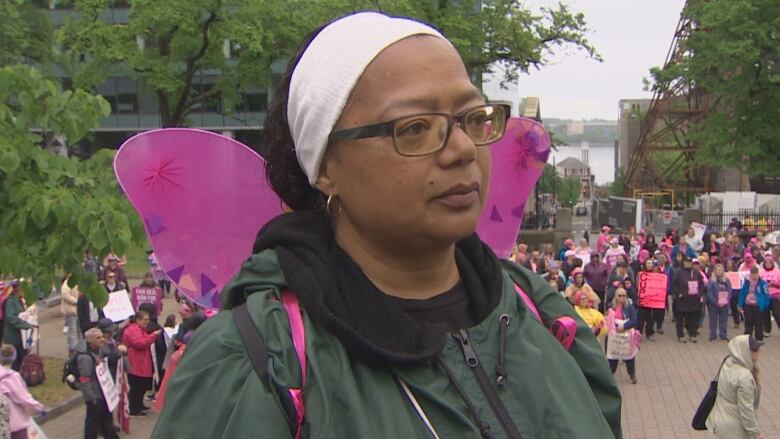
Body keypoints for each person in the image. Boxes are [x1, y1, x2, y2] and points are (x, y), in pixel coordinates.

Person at [152, 12, 621, 438]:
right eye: (414, 127)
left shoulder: (535, 309)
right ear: (326, 167)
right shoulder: (257, 363)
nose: (461, 149)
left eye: (473, 118)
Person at [705, 335, 764, 439]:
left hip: (720, 421)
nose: (758, 352)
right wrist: (756, 433)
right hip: (735, 429)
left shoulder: (728, 362)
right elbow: (746, 409)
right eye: (754, 350)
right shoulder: (744, 377)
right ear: (743, 351)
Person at [75, 328, 119, 439]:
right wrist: (91, 397)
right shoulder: (84, 358)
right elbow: (84, 379)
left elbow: (110, 354)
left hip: (104, 393)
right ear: (90, 341)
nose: (102, 340)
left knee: (107, 420)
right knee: (92, 424)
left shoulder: (98, 349)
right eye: (98, 338)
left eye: (102, 336)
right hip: (95, 397)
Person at [121, 310, 161, 416]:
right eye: (145, 320)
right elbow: (139, 344)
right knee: (136, 386)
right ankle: (134, 408)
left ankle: (138, 404)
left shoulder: (139, 329)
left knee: (141, 385)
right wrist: (153, 336)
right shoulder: (133, 330)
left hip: (141, 362)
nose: (147, 322)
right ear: (138, 320)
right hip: (135, 363)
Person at [0, 345, 44, 439]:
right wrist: (39, 407)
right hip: (14, 422)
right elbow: (23, 398)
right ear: (14, 357)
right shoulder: (12, 377)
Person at [605, 288, 638, 384]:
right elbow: (608, 319)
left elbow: (634, 320)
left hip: (626, 334)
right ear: (616, 297)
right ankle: (610, 376)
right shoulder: (611, 307)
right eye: (620, 296)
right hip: (614, 335)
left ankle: (632, 375)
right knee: (612, 357)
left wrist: (624, 326)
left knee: (629, 357)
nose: (622, 298)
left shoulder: (630, 307)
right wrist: (615, 327)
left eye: (624, 296)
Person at [671, 255, 705, 343]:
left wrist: (700, 294)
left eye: (690, 262)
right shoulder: (678, 272)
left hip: (694, 299)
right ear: (683, 262)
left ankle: (692, 334)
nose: (688, 264)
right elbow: (674, 284)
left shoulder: (696, 272)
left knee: (693, 318)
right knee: (680, 319)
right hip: (682, 299)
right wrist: (679, 293)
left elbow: (702, 284)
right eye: (687, 262)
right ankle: (680, 335)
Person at [1, 287, 30, 372]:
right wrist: (24, 325)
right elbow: (11, 317)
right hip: (12, 337)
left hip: (20, 337)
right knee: (14, 361)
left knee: (22, 357)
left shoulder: (20, 300)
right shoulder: (10, 301)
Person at [738, 266, 770, 342]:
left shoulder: (763, 283)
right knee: (748, 321)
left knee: (758, 322)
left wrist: (765, 305)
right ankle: (748, 338)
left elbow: (766, 295)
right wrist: (740, 304)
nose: (754, 276)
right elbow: (742, 294)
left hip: (758, 305)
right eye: (752, 274)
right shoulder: (746, 283)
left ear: (758, 274)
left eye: (755, 274)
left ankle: (759, 338)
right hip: (748, 304)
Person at [706, 264, 733, 341]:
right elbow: (709, 293)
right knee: (713, 320)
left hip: (724, 304)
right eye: (718, 270)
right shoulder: (711, 281)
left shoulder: (727, 280)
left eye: (721, 270)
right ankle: (713, 335)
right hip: (714, 304)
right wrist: (715, 301)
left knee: (723, 320)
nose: (719, 271)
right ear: (715, 271)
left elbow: (730, 291)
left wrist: (726, 301)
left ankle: (723, 335)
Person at [758, 255, 780, 336]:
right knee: (765, 314)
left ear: (772, 263)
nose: (768, 264)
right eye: (766, 263)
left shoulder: (777, 272)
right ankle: (767, 330)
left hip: (775, 295)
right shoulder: (761, 272)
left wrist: (773, 283)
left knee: (777, 313)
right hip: (764, 296)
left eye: (769, 263)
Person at [60, 275, 82, 356]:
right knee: (72, 331)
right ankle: (72, 349)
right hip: (71, 311)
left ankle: (81, 347)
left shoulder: (77, 282)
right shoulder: (67, 283)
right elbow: (65, 295)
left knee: (80, 330)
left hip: (78, 311)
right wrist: (76, 301)